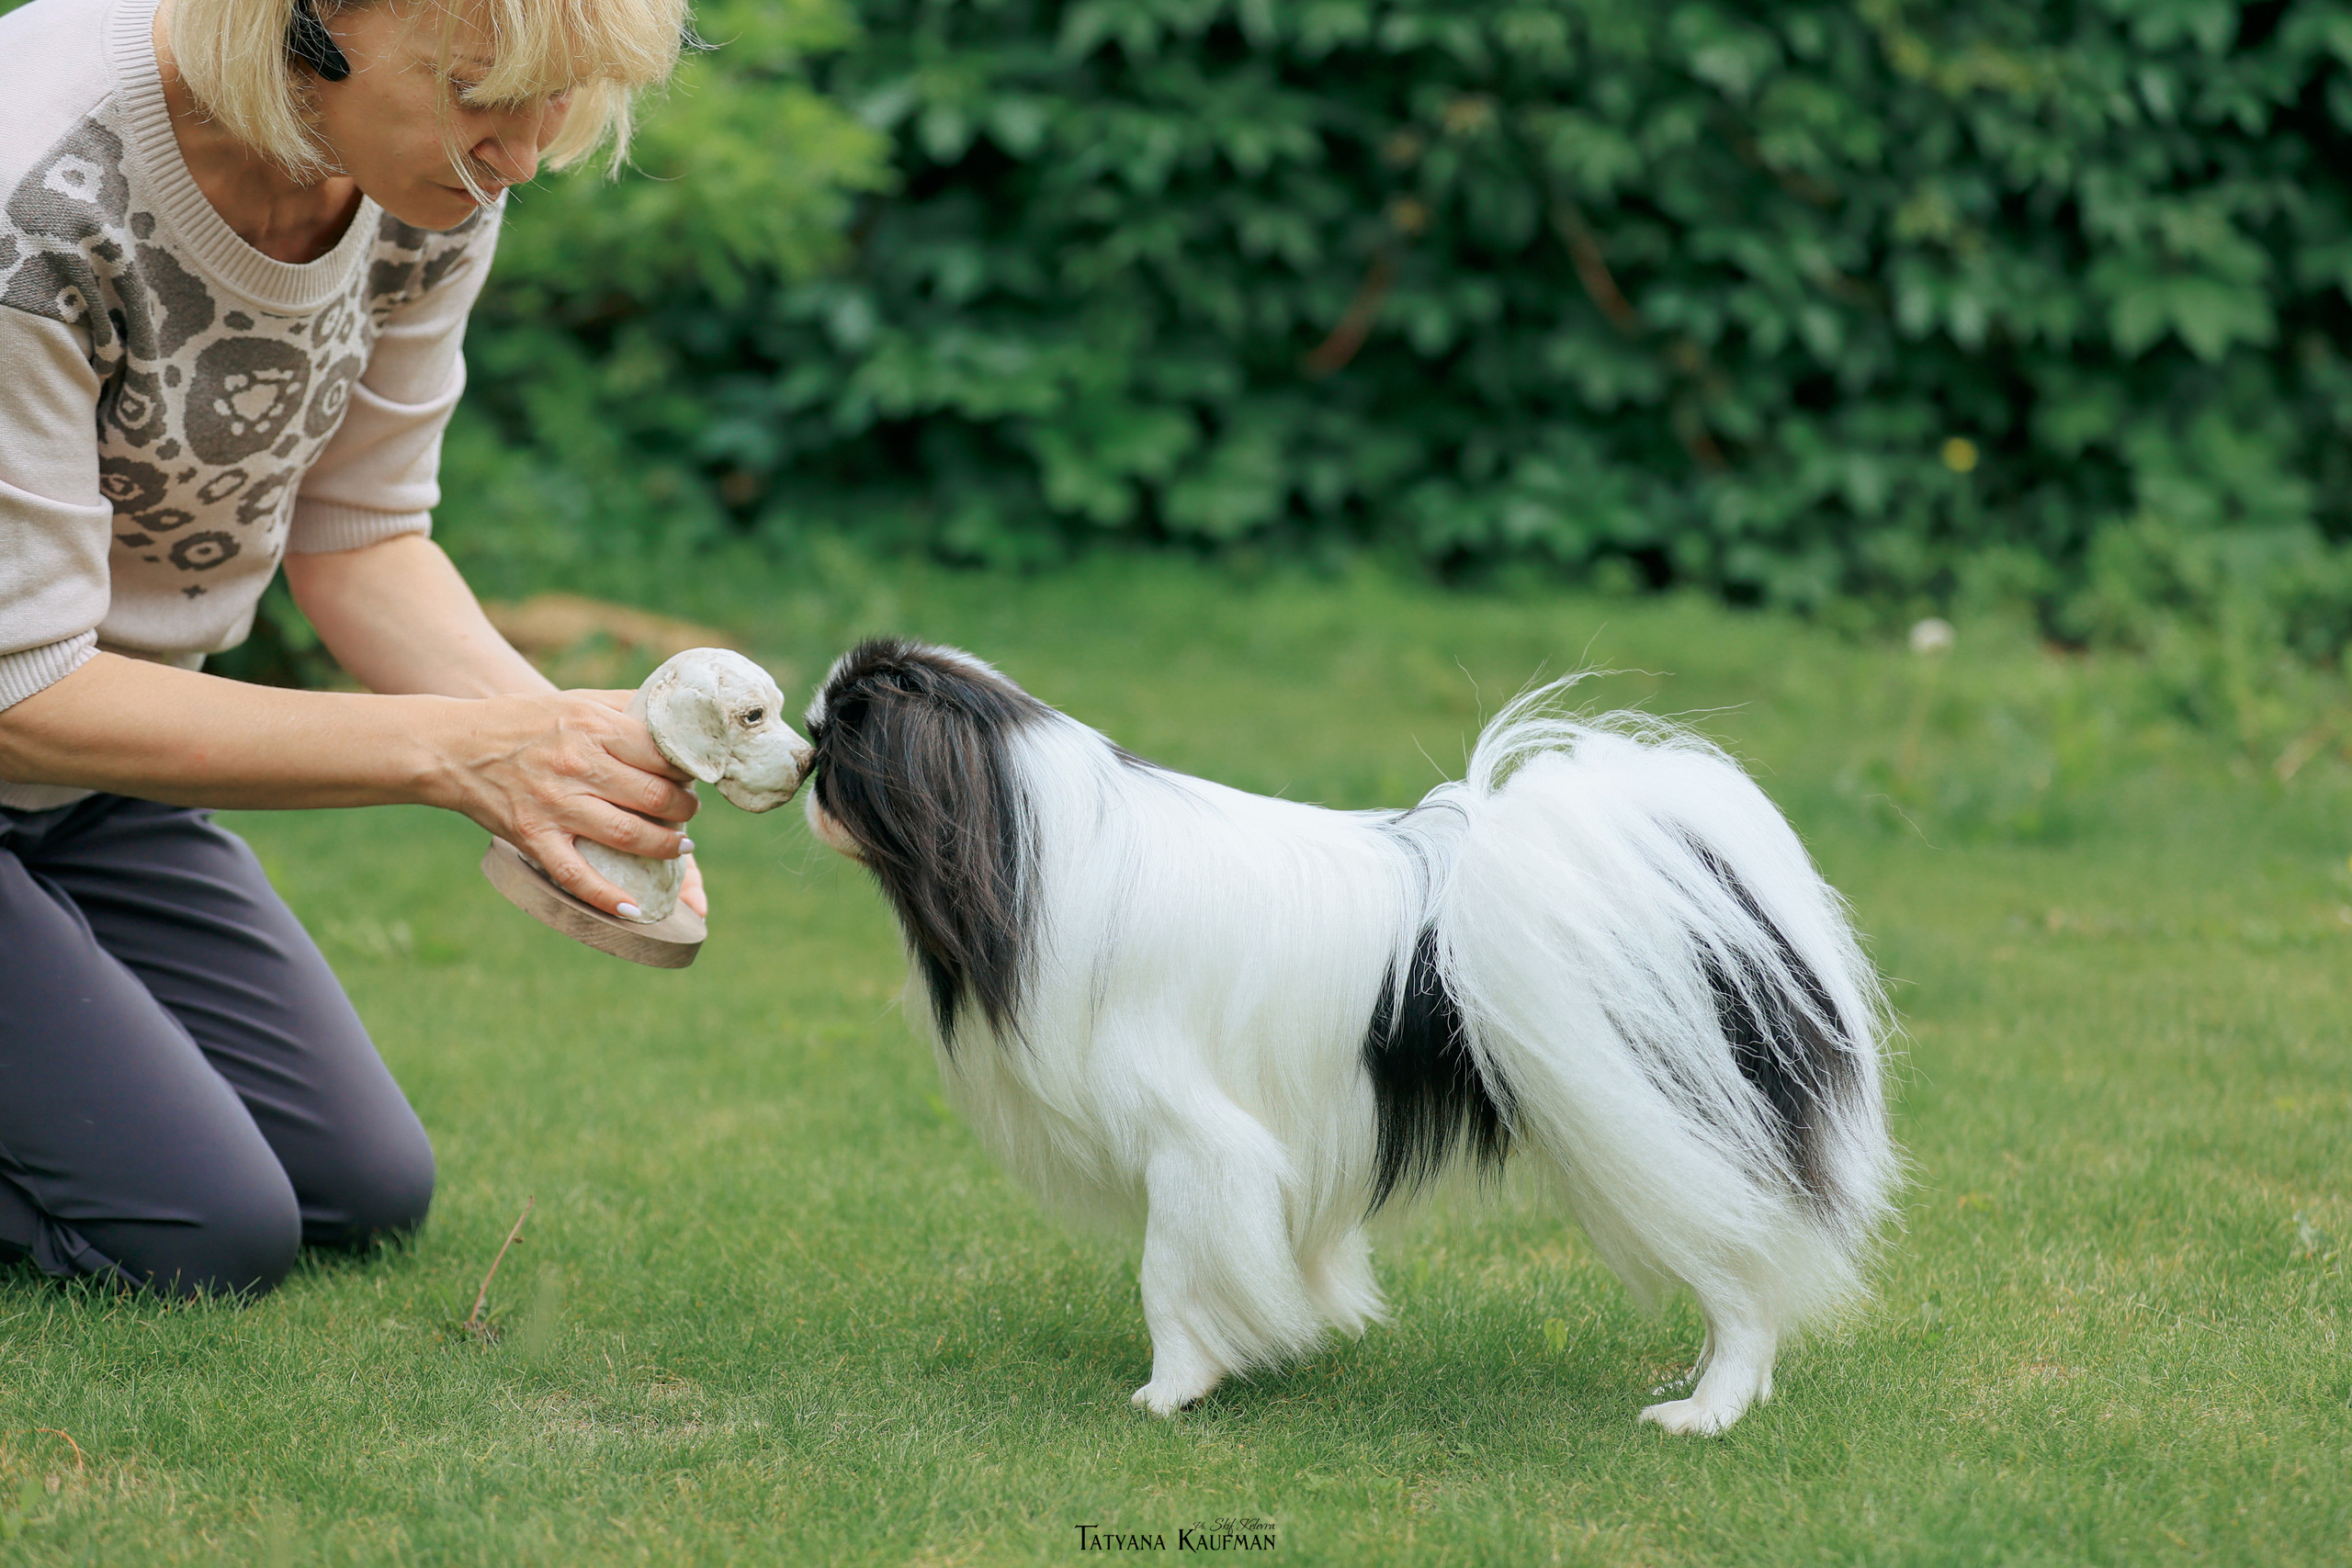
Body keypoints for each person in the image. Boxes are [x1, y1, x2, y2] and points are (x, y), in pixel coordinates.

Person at [0, 0, 695, 1298]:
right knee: (203, 1234)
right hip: (34, 718)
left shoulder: (420, 183)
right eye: (478, 90)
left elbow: (361, 533)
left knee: (360, 1189)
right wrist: (460, 754)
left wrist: (574, 768)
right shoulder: (32, 195)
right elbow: (18, 689)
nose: (521, 157)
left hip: (92, 784)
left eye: (552, 98)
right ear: (305, 23)